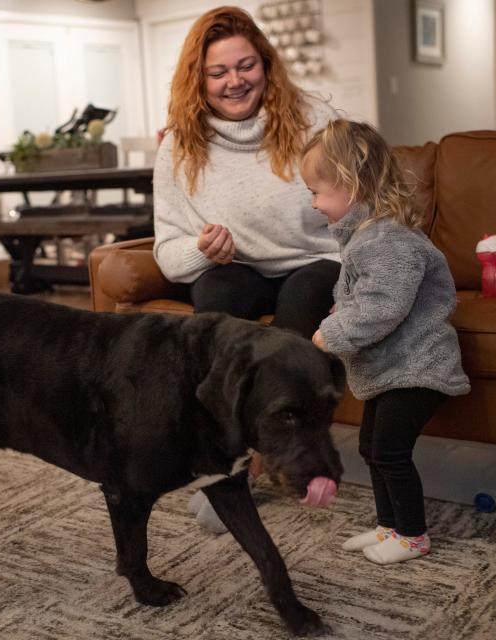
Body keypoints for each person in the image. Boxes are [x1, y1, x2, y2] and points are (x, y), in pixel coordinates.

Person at [152, 6, 341, 533]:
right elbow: (168, 250)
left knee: (299, 305)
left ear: (266, 64)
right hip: (238, 267)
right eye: (218, 72)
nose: (235, 81)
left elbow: (360, 200)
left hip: (316, 260)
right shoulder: (179, 146)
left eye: (246, 66)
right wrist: (201, 249)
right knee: (214, 299)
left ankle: (286, 457)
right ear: (199, 78)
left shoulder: (315, 120)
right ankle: (221, 461)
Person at [300, 119, 470, 565]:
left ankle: (413, 535)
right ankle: (389, 526)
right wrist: (343, 313)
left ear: (351, 185)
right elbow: (364, 297)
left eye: (317, 191)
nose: (314, 203)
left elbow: (382, 307)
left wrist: (331, 333)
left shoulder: (387, 239)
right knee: (370, 448)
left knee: (391, 451)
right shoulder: (366, 237)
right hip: (391, 367)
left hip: (417, 367)